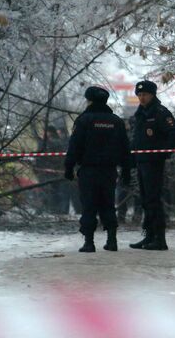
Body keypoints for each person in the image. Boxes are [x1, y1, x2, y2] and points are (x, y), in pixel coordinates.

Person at [64, 86, 130, 252]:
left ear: (90, 101)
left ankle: (89, 242)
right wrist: (127, 170)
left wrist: (69, 166)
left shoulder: (83, 120)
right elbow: (125, 148)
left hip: (89, 170)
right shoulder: (116, 121)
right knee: (108, 203)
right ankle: (112, 240)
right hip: (109, 171)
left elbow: (74, 146)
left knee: (89, 204)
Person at [129, 80, 175, 251]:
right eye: (139, 95)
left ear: (152, 95)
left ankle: (160, 238)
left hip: (154, 162)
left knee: (153, 200)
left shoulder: (160, 112)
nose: (142, 98)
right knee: (145, 200)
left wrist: (164, 152)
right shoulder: (140, 114)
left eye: (145, 94)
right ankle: (149, 235)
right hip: (141, 162)